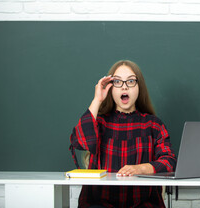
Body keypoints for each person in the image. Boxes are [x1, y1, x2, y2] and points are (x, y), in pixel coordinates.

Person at [69, 60, 177, 208]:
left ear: (139, 87)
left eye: (131, 81)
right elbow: (80, 142)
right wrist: (97, 99)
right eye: (118, 82)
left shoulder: (153, 124)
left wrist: (140, 168)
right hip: (99, 203)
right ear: (110, 88)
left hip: (143, 203)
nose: (124, 86)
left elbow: (170, 162)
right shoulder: (99, 122)